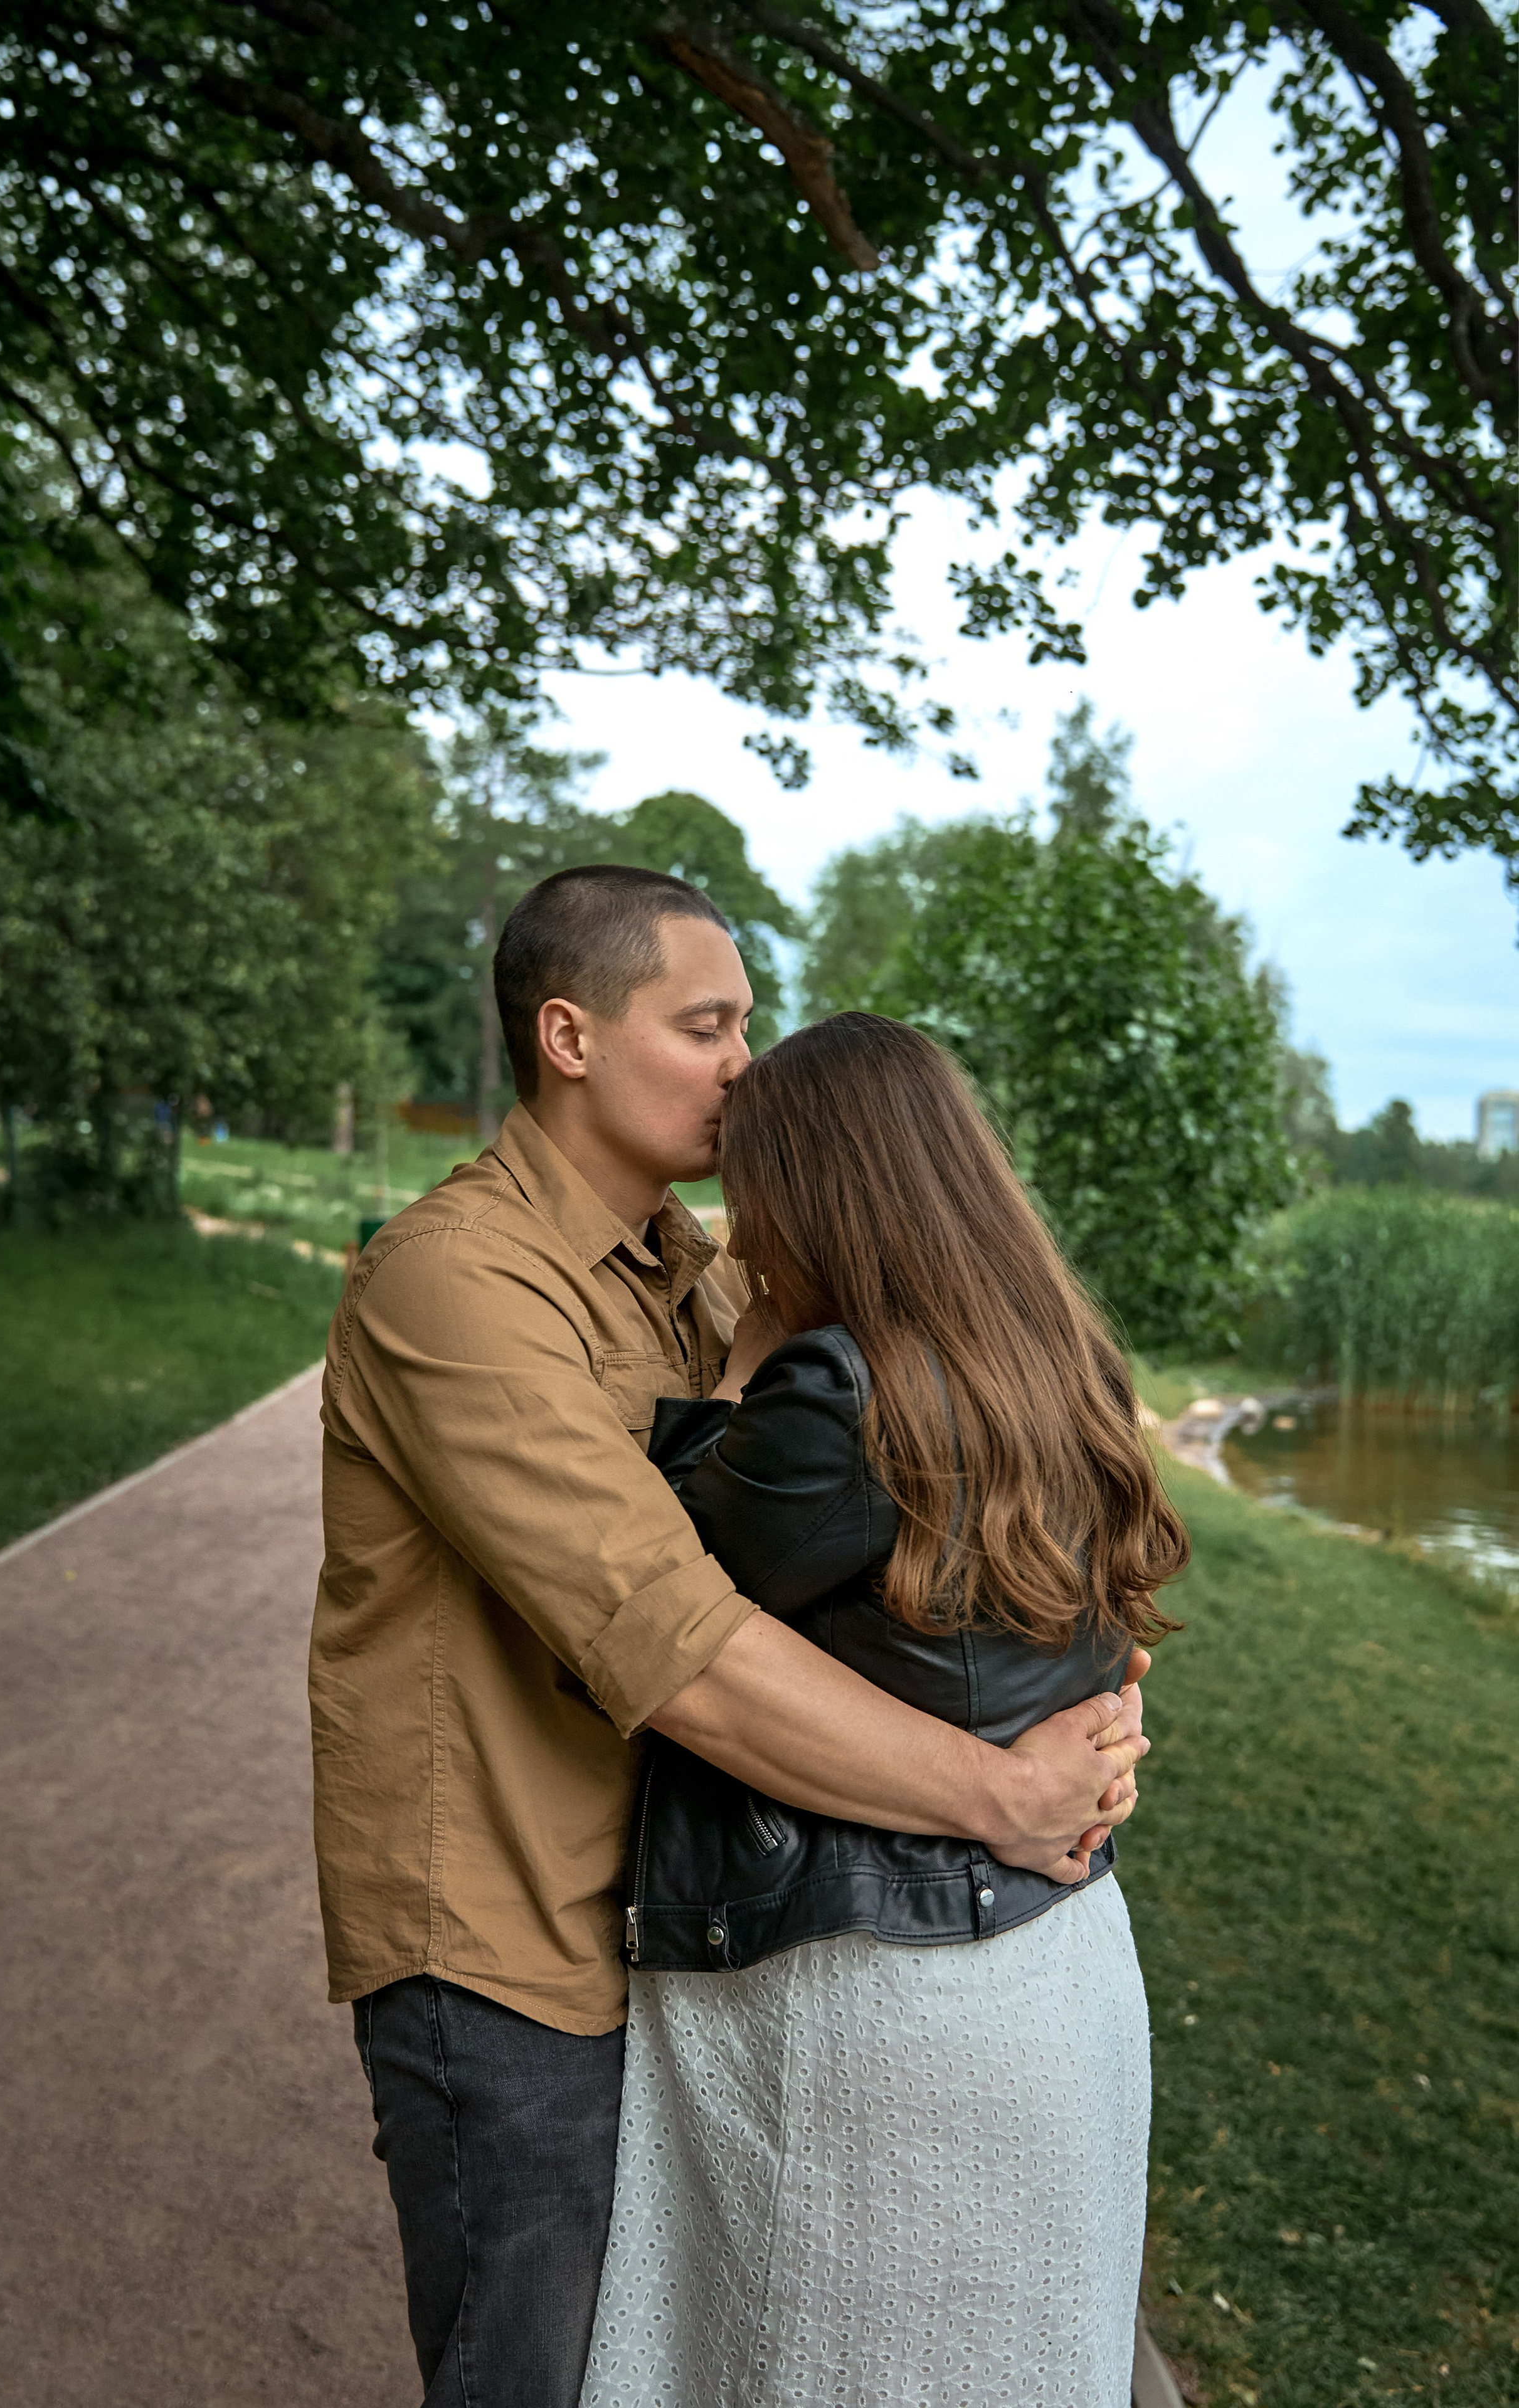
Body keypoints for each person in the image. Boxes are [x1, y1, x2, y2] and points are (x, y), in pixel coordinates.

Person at [309, 869, 1151, 2408]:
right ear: (569, 1037)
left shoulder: (696, 1274)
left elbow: (888, 1530)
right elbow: (679, 1641)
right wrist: (999, 1793)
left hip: (684, 1923)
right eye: (704, 1028)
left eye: (747, 1026)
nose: (743, 1066)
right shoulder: (456, 1280)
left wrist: (1081, 1706)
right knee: (535, 2372)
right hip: (513, 1940)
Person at [581, 1012, 1189, 2408]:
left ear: (820, 1194)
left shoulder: (835, 1392)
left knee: (826, 2356)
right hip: (1060, 1954)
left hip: (878, 1978)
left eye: (754, 1194)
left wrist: (733, 1374)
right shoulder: (1063, 1363)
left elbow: (655, 1595)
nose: (740, 1235)